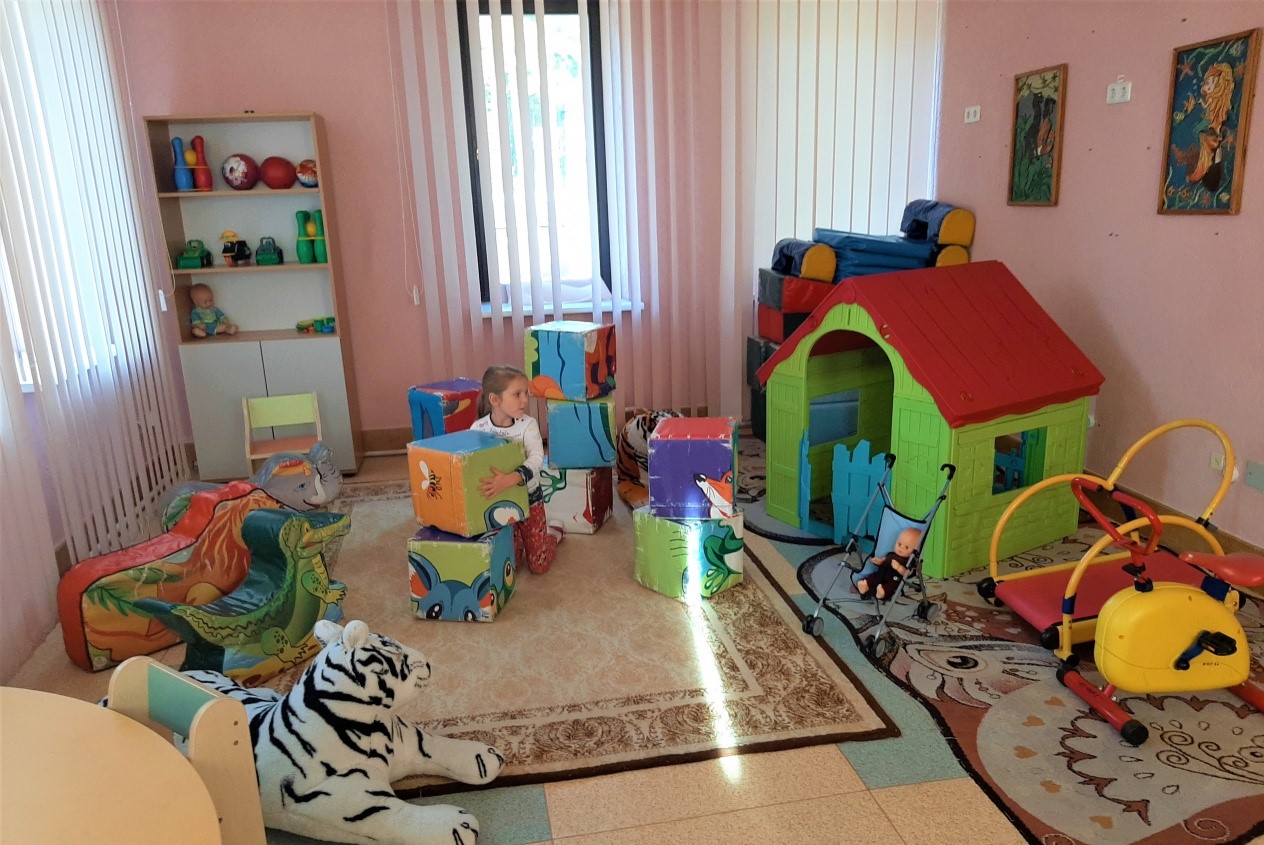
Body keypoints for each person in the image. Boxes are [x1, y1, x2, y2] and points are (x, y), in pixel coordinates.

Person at [471, 365, 563, 574]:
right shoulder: (479, 429)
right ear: (495, 400)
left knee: (539, 565)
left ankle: (554, 533)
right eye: (517, 394)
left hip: (530, 500)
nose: (524, 400)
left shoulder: (527, 425)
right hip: (500, 503)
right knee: (511, 564)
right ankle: (520, 538)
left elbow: (537, 459)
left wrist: (512, 478)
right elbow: (473, 464)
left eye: (525, 394)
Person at [856, 526, 922, 601]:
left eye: (906, 547)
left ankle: (881, 594)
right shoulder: (891, 554)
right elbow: (884, 560)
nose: (901, 548)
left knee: (890, 586)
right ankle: (864, 587)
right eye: (899, 544)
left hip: (893, 579)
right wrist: (879, 561)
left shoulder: (909, 561)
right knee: (871, 577)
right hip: (880, 574)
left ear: (916, 551)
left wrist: (899, 568)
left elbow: (908, 573)